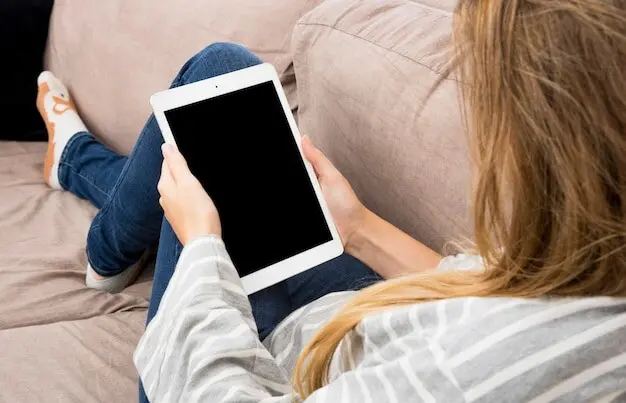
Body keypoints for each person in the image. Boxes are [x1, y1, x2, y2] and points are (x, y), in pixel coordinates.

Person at [36, 0, 626, 401]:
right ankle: (79, 169)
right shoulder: (596, 278)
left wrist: (203, 249)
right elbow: (493, 294)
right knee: (226, 75)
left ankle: (100, 231)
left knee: (210, 107)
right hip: (359, 319)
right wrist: (359, 227)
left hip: (248, 369)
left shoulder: (466, 374)